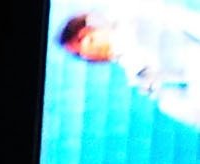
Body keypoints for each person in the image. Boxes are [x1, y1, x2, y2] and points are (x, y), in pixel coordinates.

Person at [59, 3, 200, 128]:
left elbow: (180, 17)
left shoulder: (132, 15)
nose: (86, 55)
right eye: (80, 54)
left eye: (81, 47)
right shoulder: (138, 75)